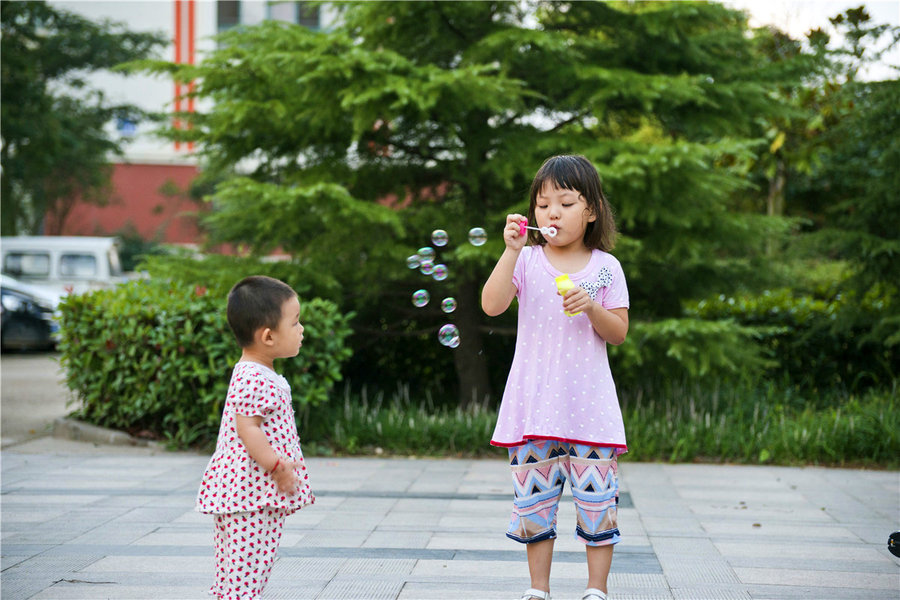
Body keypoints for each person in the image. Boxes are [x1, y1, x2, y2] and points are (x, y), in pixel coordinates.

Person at [482, 155, 630, 600]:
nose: (552, 213)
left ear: (591, 211)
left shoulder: (606, 268)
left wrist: (591, 306)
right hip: (534, 406)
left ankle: (595, 590)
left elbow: (618, 332)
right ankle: (538, 589)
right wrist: (509, 251)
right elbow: (491, 305)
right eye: (543, 204)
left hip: (591, 411)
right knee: (534, 504)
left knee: (598, 504)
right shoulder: (525, 261)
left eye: (565, 203)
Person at [196, 275, 315, 600]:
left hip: (245, 496)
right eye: (295, 322)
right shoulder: (255, 378)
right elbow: (247, 428)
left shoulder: (255, 373)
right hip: (250, 498)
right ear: (268, 336)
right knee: (244, 581)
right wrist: (277, 465)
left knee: (234, 578)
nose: (302, 329)